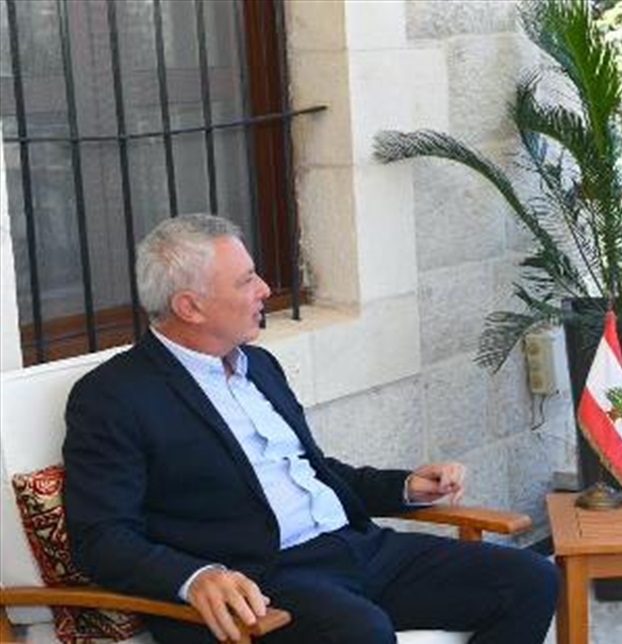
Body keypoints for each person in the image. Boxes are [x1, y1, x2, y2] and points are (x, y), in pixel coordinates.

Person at [63, 214, 558, 644]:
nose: (265, 290)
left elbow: (313, 471)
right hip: (261, 580)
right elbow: (101, 537)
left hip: (356, 548)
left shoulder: (259, 366)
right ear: (190, 307)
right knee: (360, 632)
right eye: (247, 280)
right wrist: (197, 577)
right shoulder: (113, 396)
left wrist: (404, 486)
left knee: (532, 579)